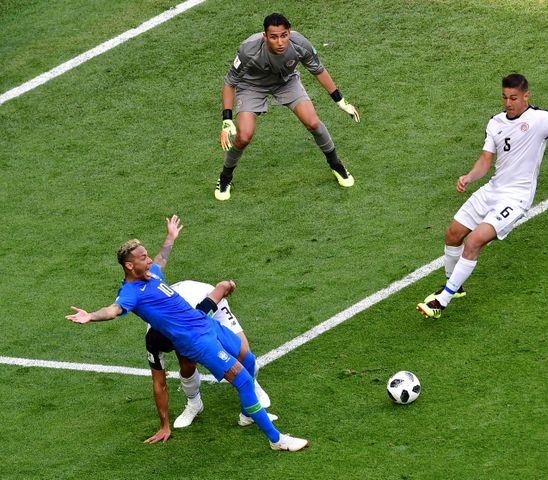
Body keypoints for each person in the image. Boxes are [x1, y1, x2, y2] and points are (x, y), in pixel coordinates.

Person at [66, 215, 308, 451]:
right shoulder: (130, 292)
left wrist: (170, 238)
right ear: (130, 265)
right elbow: (114, 309)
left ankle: (248, 415)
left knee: (249, 361)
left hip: (206, 324)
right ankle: (277, 440)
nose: (149, 260)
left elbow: (160, 260)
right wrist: (91, 316)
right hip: (197, 342)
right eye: (143, 257)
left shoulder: (151, 275)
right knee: (244, 381)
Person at [417, 72, 548, 319]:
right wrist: (469, 176)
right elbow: (486, 162)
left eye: (514, 98)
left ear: (526, 96)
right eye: (505, 97)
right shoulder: (495, 122)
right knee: (452, 234)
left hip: (515, 199)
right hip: (492, 190)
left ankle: (441, 302)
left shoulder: (540, 120)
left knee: (475, 240)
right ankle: (455, 286)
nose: (508, 103)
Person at [215, 12, 360, 200]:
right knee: (243, 136)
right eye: (274, 37)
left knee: (313, 123)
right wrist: (227, 119)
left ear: (289, 33)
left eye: (284, 35)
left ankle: (336, 165)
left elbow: (318, 70)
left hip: (286, 82)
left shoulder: (299, 44)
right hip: (252, 86)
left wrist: (341, 101)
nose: (280, 42)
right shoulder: (248, 49)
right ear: (264, 36)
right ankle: (225, 177)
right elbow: (230, 82)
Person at [144, 279, 276, 444]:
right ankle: (194, 403)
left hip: (206, 303)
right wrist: (164, 425)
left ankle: (252, 388)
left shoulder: (195, 313)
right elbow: (159, 383)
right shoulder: (152, 339)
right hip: (184, 323)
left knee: (245, 355)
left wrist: (228, 285)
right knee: (187, 363)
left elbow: (220, 290)